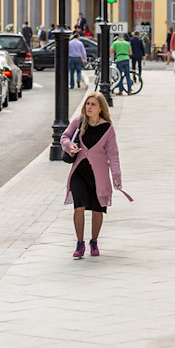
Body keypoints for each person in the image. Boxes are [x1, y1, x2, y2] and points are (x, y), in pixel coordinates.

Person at [60, 92, 123, 259]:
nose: (89, 107)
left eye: (93, 104)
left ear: (100, 108)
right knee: (78, 206)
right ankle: (79, 244)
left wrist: (116, 175)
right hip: (78, 172)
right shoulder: (79, 122)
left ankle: (93, 241)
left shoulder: (108, 129)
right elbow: (64, 137)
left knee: (97, 209)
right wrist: (70, 145)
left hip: (98, 175)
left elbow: (113, 154)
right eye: (88, 104)